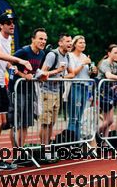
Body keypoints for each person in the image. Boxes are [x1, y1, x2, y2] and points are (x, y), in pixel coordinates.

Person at [0, 11, 33, 170]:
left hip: (0, 83)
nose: (12, 25)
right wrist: (20, 60)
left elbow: (6, 64)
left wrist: (20, 74)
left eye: (13, 22)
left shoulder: (9, 39)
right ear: (1, 25)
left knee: (3, 122)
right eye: (8, 22)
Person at [38, 33, 74, 161]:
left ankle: (46, 149)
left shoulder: (67, 56)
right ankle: (44, 150)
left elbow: (72, 73)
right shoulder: (52, 55)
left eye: (71, 42)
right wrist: (57, 72)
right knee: (45, 122)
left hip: (57, 92)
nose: (70, 44)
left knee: (52, 123)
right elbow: (42, 73)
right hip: (46, 92)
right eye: (67, 41)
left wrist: (62, 77)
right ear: (60, 43)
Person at [11, 28, 48, 149]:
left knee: (26, 123)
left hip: (30, 90)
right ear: (33, 39)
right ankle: (16, 151)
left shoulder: (42, 54)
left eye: (45, 39)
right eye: (40, 38)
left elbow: (33, 71)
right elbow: (8, 64)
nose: (43, 41)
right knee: (16, 123)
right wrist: (22, 75)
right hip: (17, 90)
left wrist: (40, 76)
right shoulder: (24, 51)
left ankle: (21, 150)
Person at [65, 35, 97, 141]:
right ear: (74, 44)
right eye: (80, 42)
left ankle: (77, 141)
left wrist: (93, 71)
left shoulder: (85, 56)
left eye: (84, 42)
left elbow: (88, 73)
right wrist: (83, 63)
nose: (83, 44)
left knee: (80, 118)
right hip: (75, 86)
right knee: (74, 117)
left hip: (85, 86)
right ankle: (70, 142)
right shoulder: (70, 56)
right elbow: (73, 73)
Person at [96, 44, 117, 141]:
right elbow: (108, 75)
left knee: (108, 120)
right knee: (109, 120)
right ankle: (94, 135)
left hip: (110, 94)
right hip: (101, 93)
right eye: (115, 53)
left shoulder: (115, 64)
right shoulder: (105, 63)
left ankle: (105, 142)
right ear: (109, 53)